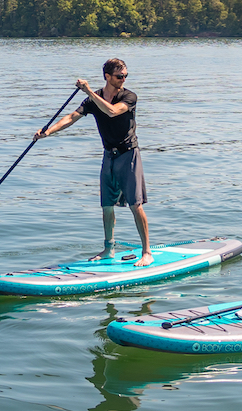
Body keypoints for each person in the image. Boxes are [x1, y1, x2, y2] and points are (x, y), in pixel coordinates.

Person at [34, 58, 153, 266]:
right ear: (107, 76)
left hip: (129, 155)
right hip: (109, 156)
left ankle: (147, 252)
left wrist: (88, 91)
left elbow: (112, 111)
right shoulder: (93, 99)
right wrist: (48, 132)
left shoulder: (129, 96)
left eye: (126, 75)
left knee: (136, 205)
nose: (123, 79)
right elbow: (71, 117)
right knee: (107, 205)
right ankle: (109, 249)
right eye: (119, 76)